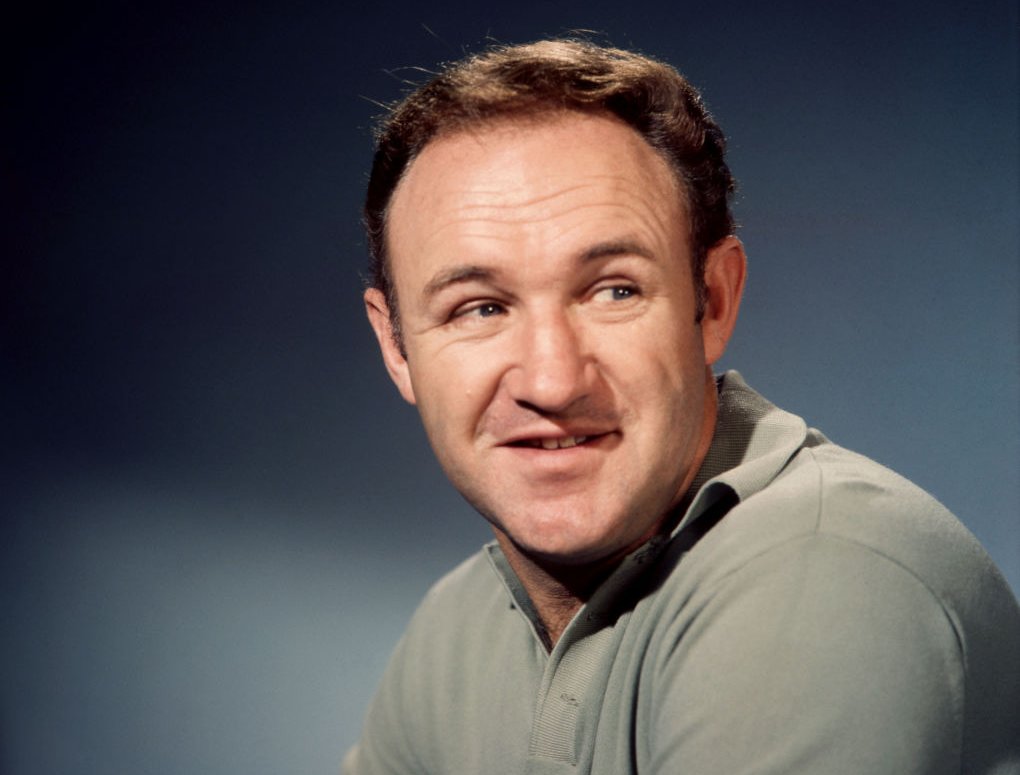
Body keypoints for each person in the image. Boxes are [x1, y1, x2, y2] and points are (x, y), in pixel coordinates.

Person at [345, 39, 1020, 774]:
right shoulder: (454, 633)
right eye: (479, 308)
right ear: (396, 346)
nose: (552, 381)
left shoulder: (828, 576)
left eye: (614, 291)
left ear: (714, 301)